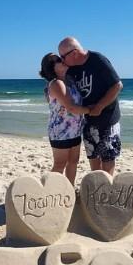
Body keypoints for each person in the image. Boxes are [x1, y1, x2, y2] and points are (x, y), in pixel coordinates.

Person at [58, 37, 123, 176]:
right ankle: (96, 191)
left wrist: (99, 106)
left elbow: (117, 85)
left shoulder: (97, 60)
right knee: (93, 159)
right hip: (88, 121)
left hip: (108, 119)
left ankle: (106, 191)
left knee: (108, 159)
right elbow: (58, 80)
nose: (62, 60)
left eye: (63, 57)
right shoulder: (72, 69)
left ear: (74, 53)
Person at [39, 53, 90, 186]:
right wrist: (92, 110)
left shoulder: (69, 81)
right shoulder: (56, 84)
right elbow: (72, 108)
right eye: (57, 60)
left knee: (73, 161)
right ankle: (47, 191)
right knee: (60, 164)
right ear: (51, 67)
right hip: (60, 132)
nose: (62, 61)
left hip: (75, 130)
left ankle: (69, 190)